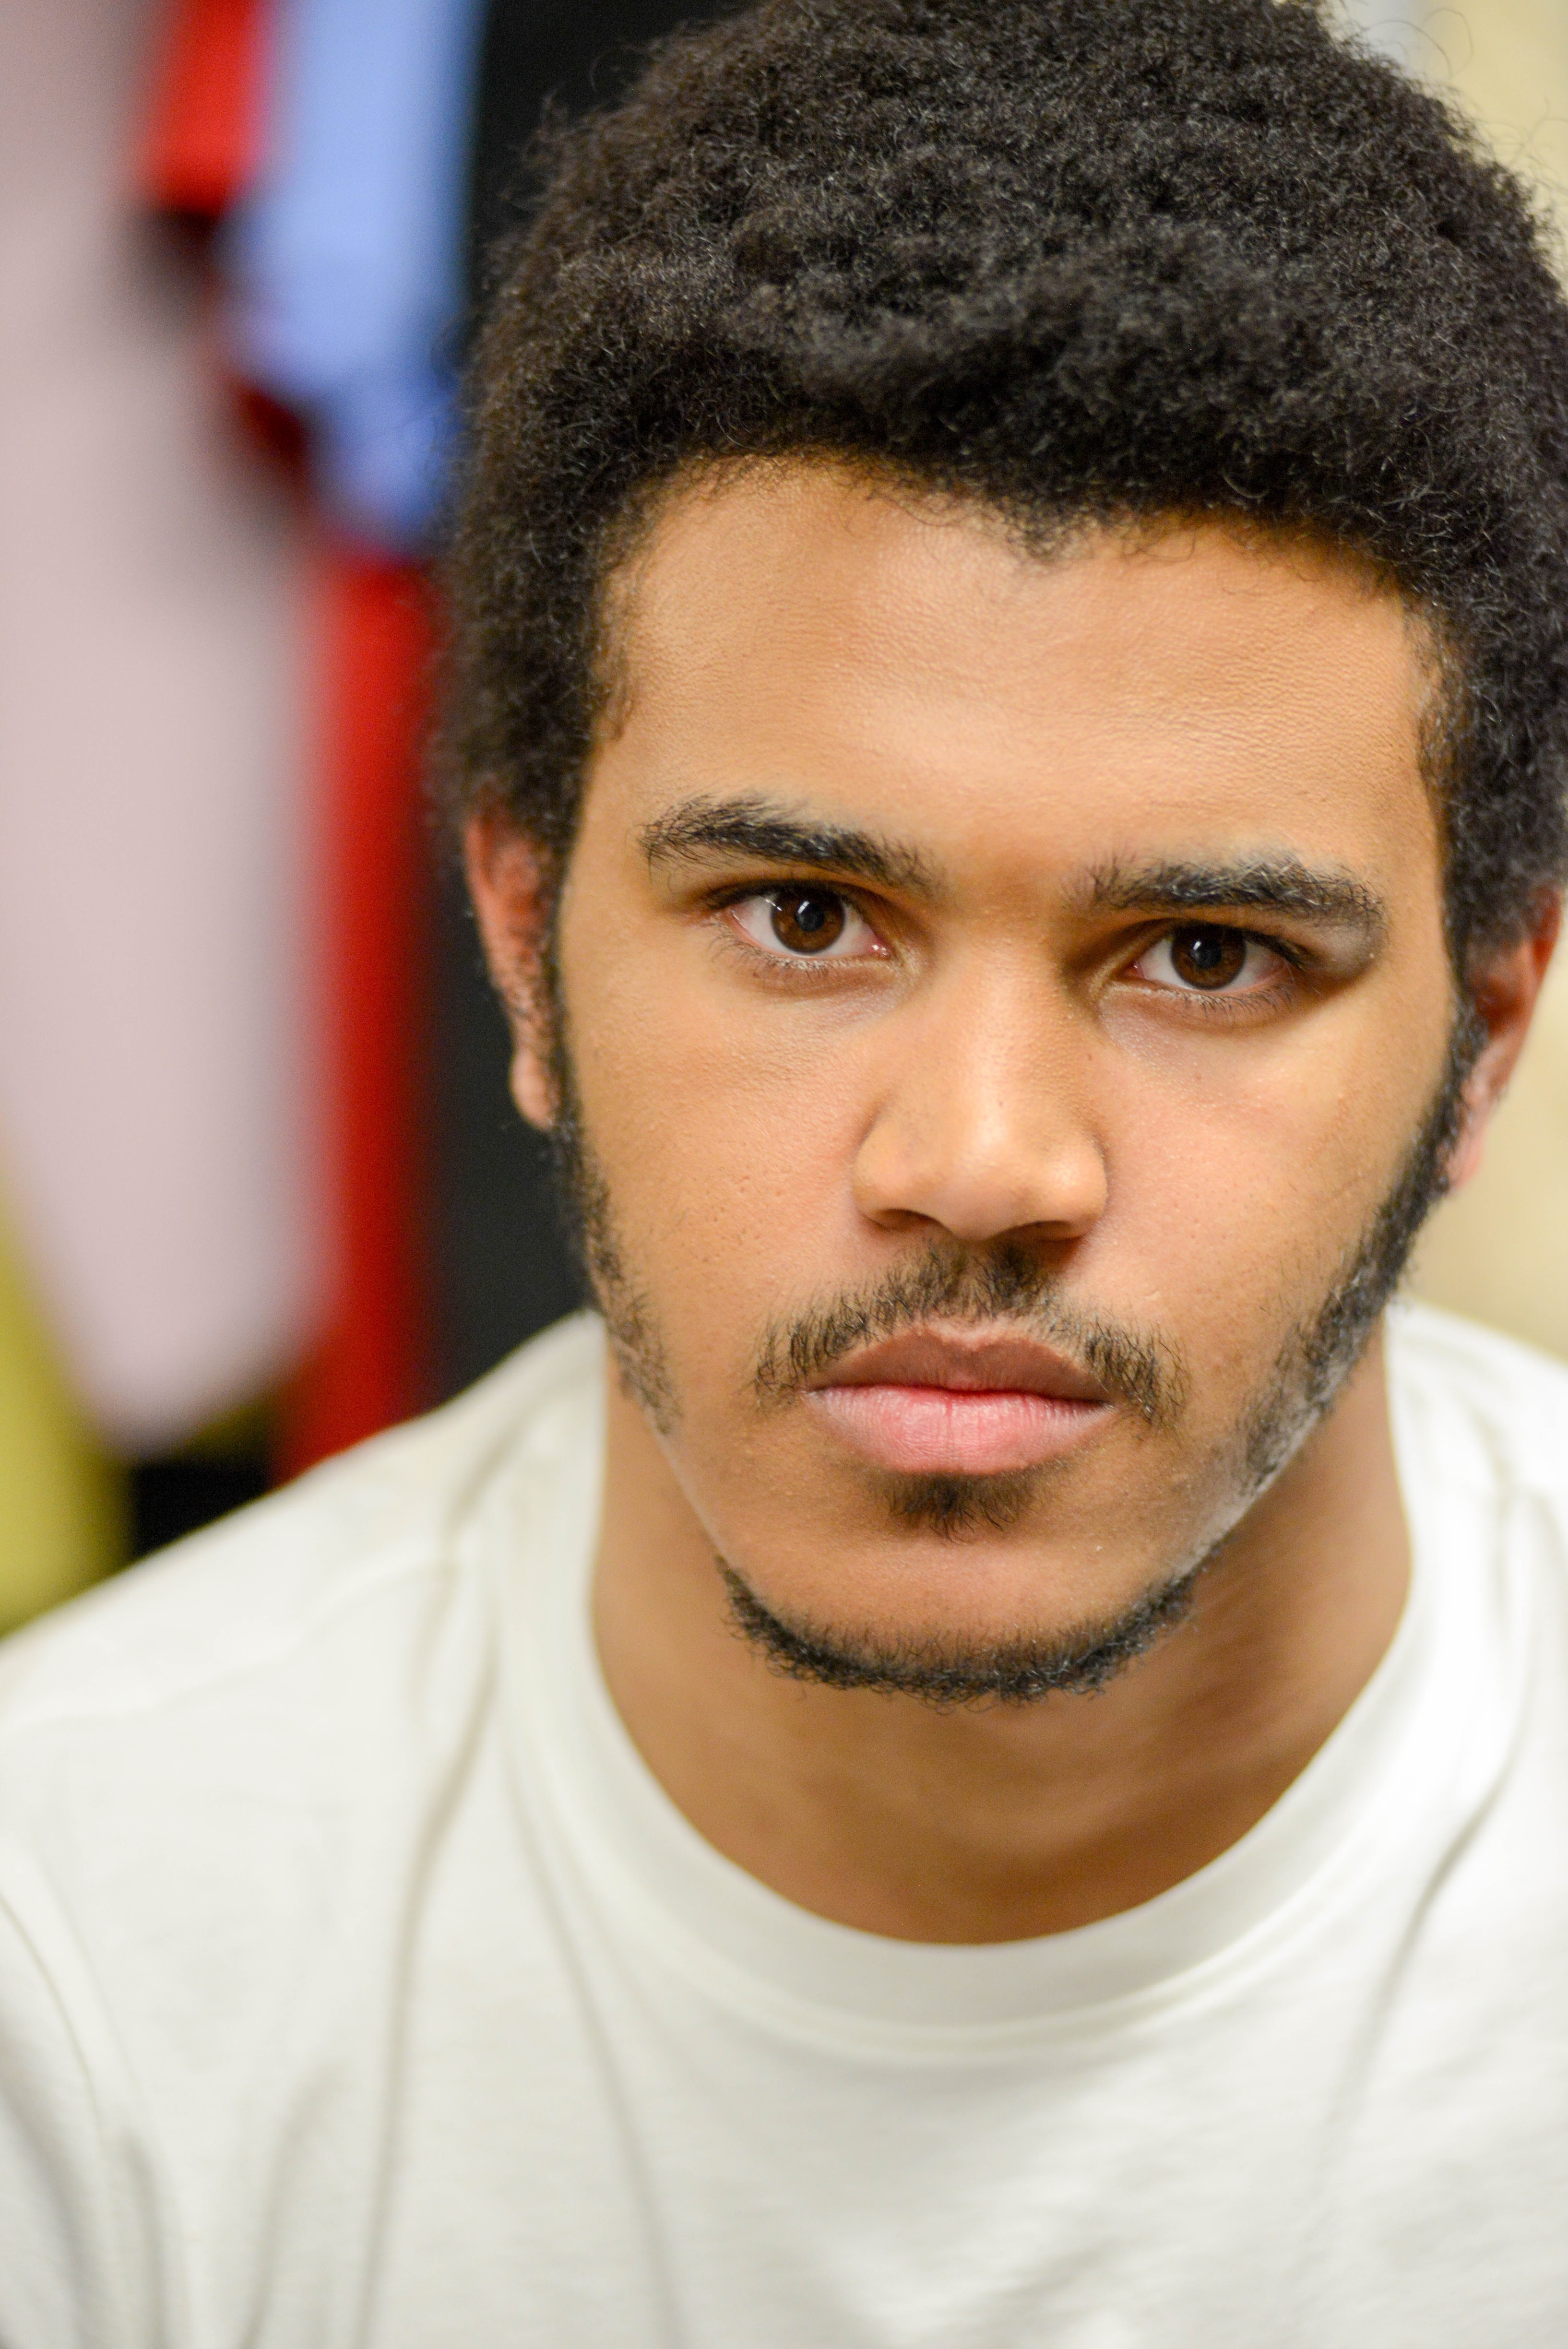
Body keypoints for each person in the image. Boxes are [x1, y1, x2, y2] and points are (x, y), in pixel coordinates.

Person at [3, 0, 1567, 2339]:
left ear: (1485, 1030)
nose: (982, 1163)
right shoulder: (75, 1960)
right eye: (806, 920)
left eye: (1206, 956)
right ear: (520, 939)